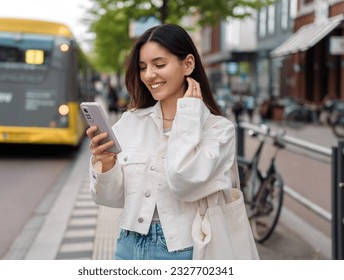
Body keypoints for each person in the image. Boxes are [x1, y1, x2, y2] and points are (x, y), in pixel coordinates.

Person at [86, 24, 236, 260]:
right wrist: (105, 163)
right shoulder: (130, 122)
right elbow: (108, 198)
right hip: (127, 246)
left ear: (188, 64)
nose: (148, 75)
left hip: (183, 251)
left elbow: (182, 181)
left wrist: (187, 115)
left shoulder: (218, 131)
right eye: (143, 67)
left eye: (159, 64)